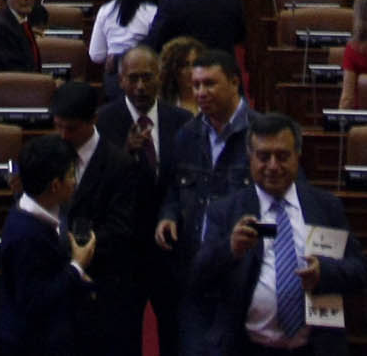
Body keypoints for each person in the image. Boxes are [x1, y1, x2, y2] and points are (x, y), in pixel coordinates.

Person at [189, 113, 367, 356]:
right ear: (250, 157)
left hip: (315, 348)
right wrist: (230, 250)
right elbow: (198, 277)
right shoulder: (225, 211)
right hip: (246, 348)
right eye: (264, 157)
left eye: (283, 156)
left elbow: (360, 270)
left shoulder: (325, 207)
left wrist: (324, 273)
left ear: (298, 155)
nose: (273, 166)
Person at [156, 51, 252, 356]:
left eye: (209, 84)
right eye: (196, 85)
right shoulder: (187, 134)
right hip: (195, 272)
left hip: (243, 275)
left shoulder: (261, 135)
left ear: (234, 82)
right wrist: (168, 215)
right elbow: (174, 187)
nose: (200, 93)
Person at [101, 44, 190, 354]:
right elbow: (97, 185)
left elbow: (185, 181)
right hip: (125, 251)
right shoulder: (104, 122)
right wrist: (123, 154)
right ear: (120, 80)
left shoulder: (181, 121)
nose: (140, 86)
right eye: (133, 78)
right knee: (125, 336)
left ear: (160, 77)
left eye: (147, 78)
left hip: (170, 247)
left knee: (173, 333)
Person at [54, 79, 152, 356]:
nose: (63, 135)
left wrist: (76, 245)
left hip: (105, 292)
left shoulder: (119, 164)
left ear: (93, 120)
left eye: (71, 128)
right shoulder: (52, 153)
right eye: (58, 126)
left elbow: (121, 229)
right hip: (62, 292)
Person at [0, 131, 97, 356]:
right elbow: (36, 301)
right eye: (71, 174)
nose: (75, 181)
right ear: (55, 185)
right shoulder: (26, 234)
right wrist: (77, 267)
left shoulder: (50, 210)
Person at [89, 0, 159, 87]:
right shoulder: (153, 12)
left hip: (114, 79)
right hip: (144, 78)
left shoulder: (105, 10)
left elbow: (96, 55)